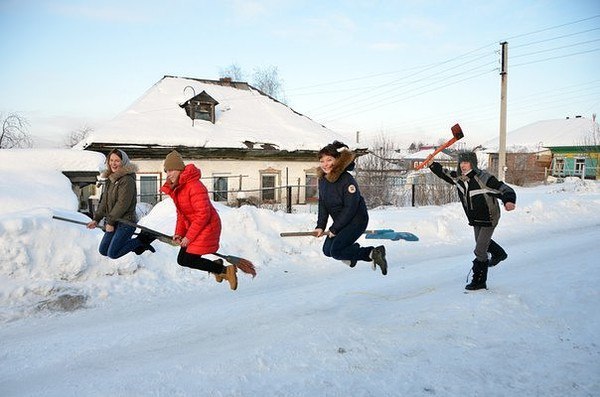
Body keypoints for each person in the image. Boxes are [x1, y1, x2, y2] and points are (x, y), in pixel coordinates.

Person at [428, 151, 516, 290]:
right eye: (461, 162)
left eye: (466, 162)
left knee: (480, 250)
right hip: (475, 218)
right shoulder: (459, 178)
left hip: (489, 217)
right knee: (481, 241)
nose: (463, 165)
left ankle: (480, 281)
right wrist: (432, 165)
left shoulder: (484, 178)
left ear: (473, 164)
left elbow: (505, 189)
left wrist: (509, 201)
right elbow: (445, 173)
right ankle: (499, 253)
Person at [160, 150, 238, 290]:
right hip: (196, 227)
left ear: (180, 169)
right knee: (182, 260)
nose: (168, 174)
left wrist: (189, 237)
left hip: (208, 226)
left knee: (188, 259)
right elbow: (181, 214)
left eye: (171, 170)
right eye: (166, 171)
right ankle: (218, 267)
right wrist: (179, 233)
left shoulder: (194, 186)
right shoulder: (179, 188)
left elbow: (203, 214)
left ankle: (226, 271)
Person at [314, 141, 388, 275]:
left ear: (337, 160)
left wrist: (335, 228)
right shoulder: (323, 180)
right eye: (322, 160)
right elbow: (323, 204)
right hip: (341, 222)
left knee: (336, 251)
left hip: (356, 220)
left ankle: (373, 252)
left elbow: (351, 207)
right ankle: (352, 256)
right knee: (327, 251)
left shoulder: (346, 180)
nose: (325, 164)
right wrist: (320, 226)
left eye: (329, 160)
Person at [87, 149, 155, 258]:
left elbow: (122, 204)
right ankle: (137, 246)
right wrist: (96, 219)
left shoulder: (127, 180)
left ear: (123, 162)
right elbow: (104, 201)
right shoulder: (111, 179)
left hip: (126, 222)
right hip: (114, 220)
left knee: (113, 253)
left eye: (117, 161)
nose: (113, 163)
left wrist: (110, 222)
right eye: (111, 160)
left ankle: (142, 240)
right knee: (103, 250)